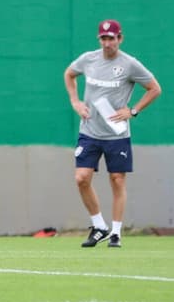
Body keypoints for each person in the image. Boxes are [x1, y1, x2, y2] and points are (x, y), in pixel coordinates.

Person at [63, 19, 162, 249]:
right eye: (104, 38)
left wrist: (133, 110)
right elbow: (69, 74)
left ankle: (116, 232)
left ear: (120, 38)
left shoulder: (130, 64)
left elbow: (155, 88)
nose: (108, 43)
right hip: (89, 131)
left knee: (117, 180)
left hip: (116, 134)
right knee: (81, 178)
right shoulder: (88, 59)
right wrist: (75, 101)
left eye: (112, 38)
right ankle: (99, 226)